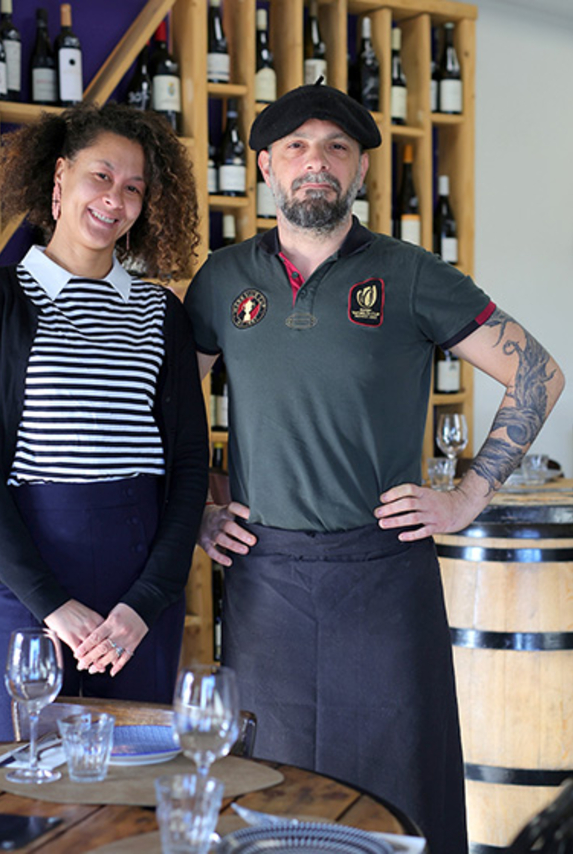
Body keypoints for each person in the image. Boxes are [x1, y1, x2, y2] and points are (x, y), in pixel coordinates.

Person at [184, 82, 565, 853]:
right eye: (295, 147)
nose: (314, 163)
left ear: (360, 171)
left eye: (336, 149)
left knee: (401, 789)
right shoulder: (223, 279)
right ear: (264, 166)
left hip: (383, 571)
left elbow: (539, 375)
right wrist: (196, 508)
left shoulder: (410, 272)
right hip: (266, 575)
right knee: (270, 786)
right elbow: (172, 410)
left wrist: (468, 497)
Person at [0, 102, 208, 741]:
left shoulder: (159, 312)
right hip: (30, 579)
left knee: (131, 793)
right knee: (31, 793)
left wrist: (144, 604)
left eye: (133, 187)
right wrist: (51, 605)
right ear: (60, 179)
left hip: (141, 592)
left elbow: (189, 467)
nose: (114, 199)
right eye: (101, 176)